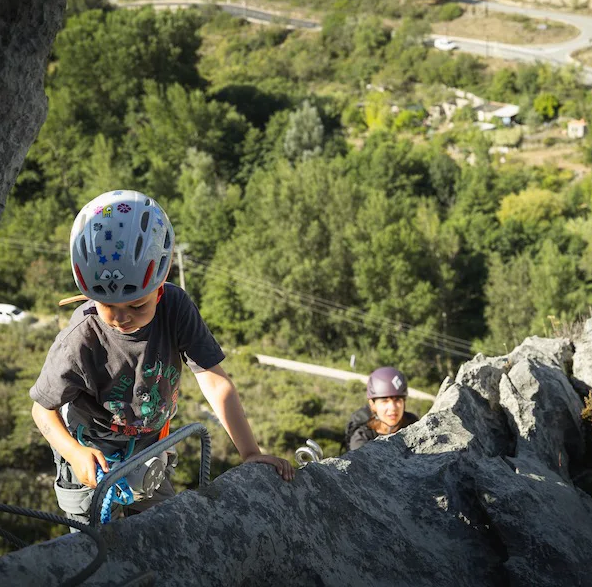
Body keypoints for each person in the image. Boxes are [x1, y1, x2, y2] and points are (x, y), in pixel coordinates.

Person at [30, 190, 294, 526]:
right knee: (91, 542)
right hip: (90, 454)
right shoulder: (80, 338)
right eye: (106, 305)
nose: (121, 318)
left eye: (137, 305)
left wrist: (250, 453)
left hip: (147, 450)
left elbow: (213, 380)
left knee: (164, 528)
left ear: (160, 284)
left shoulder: (175, 307)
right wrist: (74, 453)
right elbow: (42, 410)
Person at [347, 367, 418, 451]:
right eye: (385, 401)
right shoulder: (362, 438)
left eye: (398, 400)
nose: (393, 408)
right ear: (372, 404)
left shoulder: (413, 424)